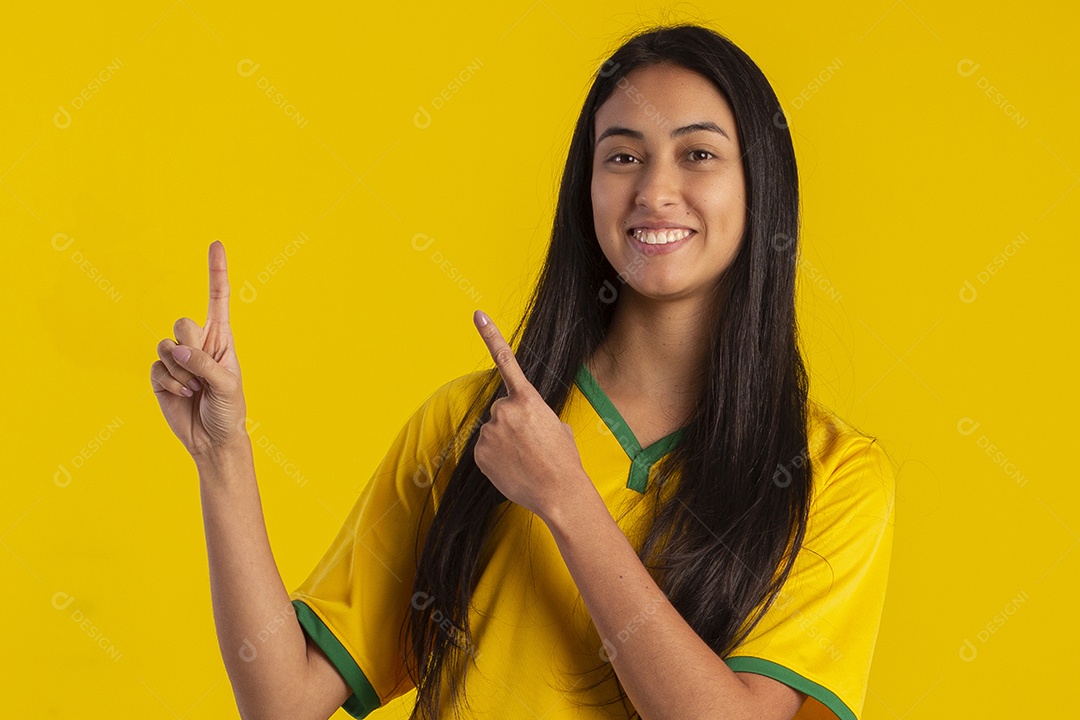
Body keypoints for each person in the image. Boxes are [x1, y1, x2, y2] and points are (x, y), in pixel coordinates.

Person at [151, 22, 895, 720]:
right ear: (586, 189)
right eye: (622, 157)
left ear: (761, 185)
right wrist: (222, 454)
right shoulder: (471, 426)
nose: (654, 191)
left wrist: (564, 496)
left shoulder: (833, 475)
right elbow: (282, 699)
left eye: (698, 154)